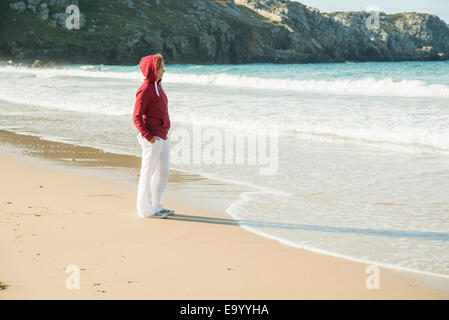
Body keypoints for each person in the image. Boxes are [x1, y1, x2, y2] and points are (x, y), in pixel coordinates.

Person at [133, 53, 174, 219]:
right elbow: (136, 117)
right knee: (147, 173)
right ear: (152, 69)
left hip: (162, 136)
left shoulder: (158, 86)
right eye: (160, 67)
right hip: (152, 139)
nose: (163, 70)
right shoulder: (145, 89)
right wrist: (148, 137)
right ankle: (144, 209)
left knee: (162, 172)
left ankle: (156, 205)